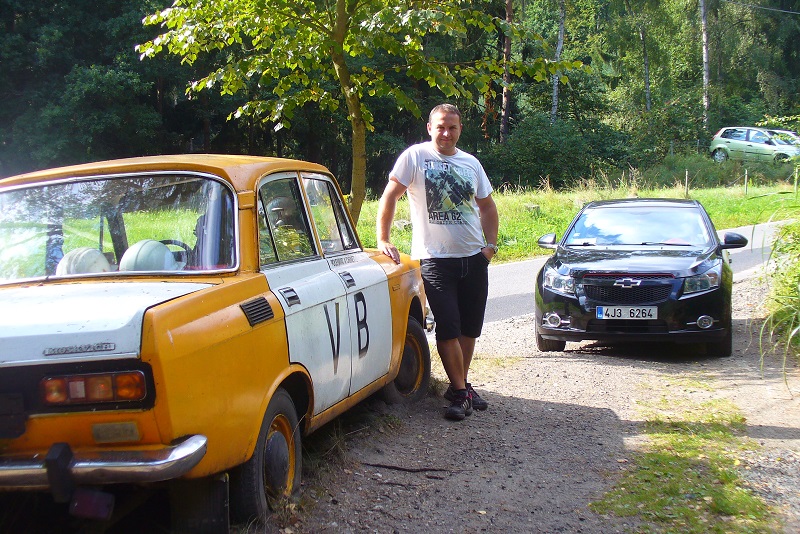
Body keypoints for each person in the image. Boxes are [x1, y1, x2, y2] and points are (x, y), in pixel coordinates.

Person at [376, 103, 499, 421]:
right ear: (430, 128)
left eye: (452, 127)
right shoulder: (415, 157)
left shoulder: (471, 163)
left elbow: (487, 207)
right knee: (447, 325)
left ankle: (461, 386)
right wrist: (383, 239)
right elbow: (390, 196)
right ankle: (460, 392)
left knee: (469, 328)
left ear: (460, 130)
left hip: (474, 258)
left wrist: (490, 248)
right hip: (435, 260)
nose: (446, 133)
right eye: (440, 127)